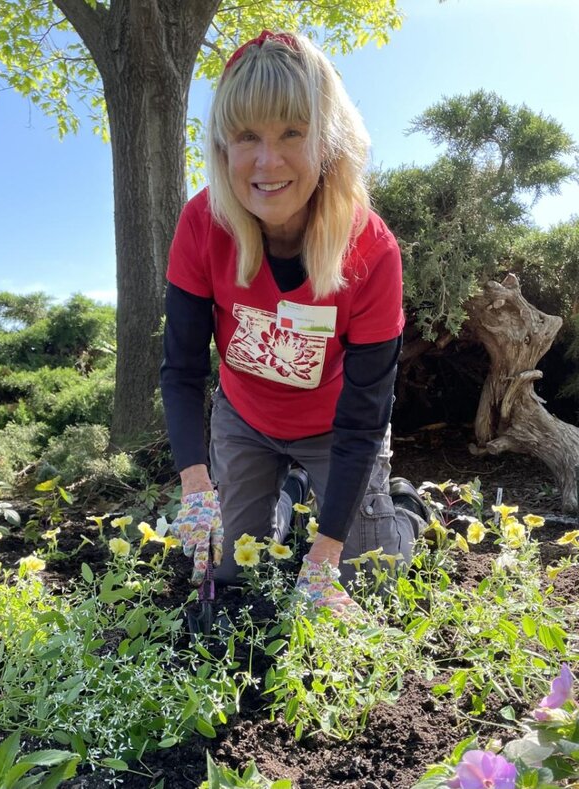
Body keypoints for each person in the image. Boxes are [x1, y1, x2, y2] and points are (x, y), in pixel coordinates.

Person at [160, 30, 428, 614]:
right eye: (247, 136)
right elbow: (181, 370)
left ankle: (404, 508)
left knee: (368, 581)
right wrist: (195, 484)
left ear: (327, 141)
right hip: (246, 417)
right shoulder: (202, 224)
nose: (267, 160)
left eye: (291, 133)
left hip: (336, 428)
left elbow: (366, 414)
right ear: (222, 146)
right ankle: (284, 492)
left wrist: (328, 550)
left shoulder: (373, 251)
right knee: (226, 571)